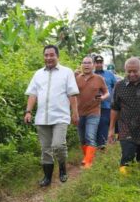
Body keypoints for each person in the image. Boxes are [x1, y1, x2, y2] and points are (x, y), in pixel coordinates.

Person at [24, 45, 79, 187]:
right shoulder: (38, 74)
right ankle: (47, 177)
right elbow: (33, 94)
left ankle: (62, 167)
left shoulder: (67, 72)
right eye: (46, 55)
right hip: (42, 118)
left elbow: (72, 94)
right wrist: (28, 111)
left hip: (60, 116)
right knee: (46, 149)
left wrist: (75, 113)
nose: (48, 58)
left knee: (58, 145)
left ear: (57, 56)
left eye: (51, 55)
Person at [76, 56, 109, 168]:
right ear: (81, 65)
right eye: (84, 63)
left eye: (89, 63)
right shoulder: (76, 78)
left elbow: (106, 93)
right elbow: (70, 94)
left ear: (93, 65)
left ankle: (88, 163)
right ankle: (87, 157)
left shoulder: (99, 78)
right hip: (79, 112)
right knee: (82, 138)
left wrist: (103, 98)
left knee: (90, 136)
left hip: (94, 112)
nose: (86, 65)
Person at [93, 55, 117, 150]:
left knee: (104, 123)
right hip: (92, 105)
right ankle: (94, 145)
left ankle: (102, 146)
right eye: (97, 62)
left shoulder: (109, 74)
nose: (99, 64)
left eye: (100, 62)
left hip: (106, 104)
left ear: (103, 63)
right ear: (94, 63)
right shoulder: (90, 74)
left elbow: (116, 87)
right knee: (94, 124)